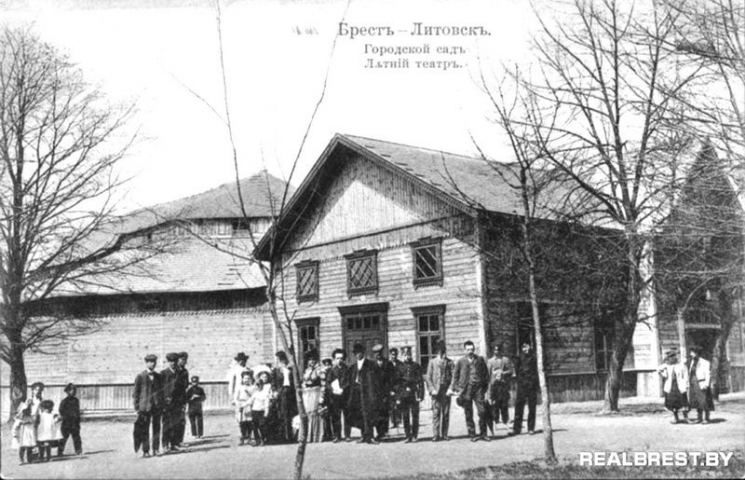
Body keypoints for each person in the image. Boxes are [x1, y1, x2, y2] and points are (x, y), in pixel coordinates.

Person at [450, 340, 490, 442]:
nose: (470, 351)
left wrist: (484, 388)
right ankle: (472, 434)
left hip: (478, 389)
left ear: (474, 349)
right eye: (468, 350)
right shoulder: (461, 361)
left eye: (472, 349)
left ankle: (483, 434)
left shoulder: (480, 360)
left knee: (482, 411)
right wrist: (457, 388)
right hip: (466, 389)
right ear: (465, 350)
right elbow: (455, 376)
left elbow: (486, 374)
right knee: (468, 412)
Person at [347, 343, 381, 444]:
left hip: (368, 392)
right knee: (360, 414)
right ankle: (363, 436)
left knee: (369, 414)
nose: (357, 355)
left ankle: (370, 436)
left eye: (359, 353)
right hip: (357, 392)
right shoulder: (353, 367)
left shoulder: (371, 365)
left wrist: (374, 393)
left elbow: (376, 380)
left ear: (363, 353)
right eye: (355, 353)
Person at [133, 354, 163, 458]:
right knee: (144, 429)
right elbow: (136, 393)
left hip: (157, 406)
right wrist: (136, 408)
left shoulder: (159, 376)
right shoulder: (140, 376)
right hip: (145, 407)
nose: (152, 364)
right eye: (150, 362)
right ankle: (146, 451)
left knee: (157, 428)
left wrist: (161, 404)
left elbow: (161, 392)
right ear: (146, 363)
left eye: (154, 362)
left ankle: (156, 449)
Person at [393, 346, 424, 442]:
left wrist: (420, 395)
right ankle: (408, 435)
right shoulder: (399, 367)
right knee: (405, 415)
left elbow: (420, 382)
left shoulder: (416, 366)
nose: (407, 356)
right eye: (405, 354)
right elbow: (397, 383)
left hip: (414, 394)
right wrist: (398, 397)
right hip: (404, 395)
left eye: (409, 354)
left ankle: (414, 435)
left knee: (415, 415)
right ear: (402, 355)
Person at [425, 340, 453, 442]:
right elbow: (428, 377)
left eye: (443, 350)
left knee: (445, 413)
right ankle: (436, 434)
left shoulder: (449, 362)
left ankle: (445, 434)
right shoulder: (432, 362)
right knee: (436, 413)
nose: (441, 352)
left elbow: (454, 377)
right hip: (436, 392)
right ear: (437, 351)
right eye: (439, 350)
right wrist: (431, 389)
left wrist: (450, 388)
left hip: (445, 391)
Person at [14, 382, 44, 464]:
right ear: (33, 390)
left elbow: (41, 412)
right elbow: (21, 410)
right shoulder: (29, 399)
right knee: (24, 441)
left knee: (32, 442)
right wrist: (26, 406)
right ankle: (21, 459)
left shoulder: (41, 400)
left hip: (34, 422)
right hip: (26, 422)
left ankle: (30, 458)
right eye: (36, 389)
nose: (38, 391)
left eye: (40, 390)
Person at [487, 344, 514, 436]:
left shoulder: (505, 360)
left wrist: (503, 373)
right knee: (495, 405)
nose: (496, 352)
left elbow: (511, 371)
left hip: (503, 385)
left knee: (504, 405)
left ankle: (506, 421)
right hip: (494, 386)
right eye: (495, 350)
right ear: (493, 351)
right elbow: (488, 375)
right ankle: (496, 421)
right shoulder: (490, 361)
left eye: (498, 350)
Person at [513, 342, 539, 435]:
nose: (525, 349)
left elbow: (537, 371)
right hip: (522, 385)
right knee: (519, 407)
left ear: (530, 347)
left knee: (532, 407)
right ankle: (516, 429)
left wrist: (536, 384)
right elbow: (517, 371)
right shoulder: (519, 358)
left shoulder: (534, 358)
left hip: (532, 385)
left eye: (527, 347)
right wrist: (520, 381)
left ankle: (531, 428)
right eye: (523, 347)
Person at [657, 349, 688, 424]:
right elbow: (658, 369)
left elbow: (686, 375)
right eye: (670, 358)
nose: (671, 359)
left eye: (673, 357)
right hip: (671, 387)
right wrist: (663, 374)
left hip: (680, 386)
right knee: (673, 403)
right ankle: (676, 418)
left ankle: (686, 418)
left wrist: (686, 384)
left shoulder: (681, 365)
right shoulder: (667, 366)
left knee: (683, 402)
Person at [327, 348, 351, 442]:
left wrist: (343, 389)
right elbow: (328, 383)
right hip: (335, 397)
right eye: (337, 358)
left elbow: (349, 382)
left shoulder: (347, 369)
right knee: (335, 416)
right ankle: (337, 436)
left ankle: (347, 435)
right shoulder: (332, 370)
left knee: (347, 416)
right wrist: (333, 389)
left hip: (345, 396)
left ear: (344, 359)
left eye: (341, 358)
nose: (339, 360)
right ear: (334, 359)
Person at [372, 344, 395, 441]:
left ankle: (385, 431)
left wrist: (391, 390)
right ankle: (379, 433)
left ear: (382, 353)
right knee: (377, 413)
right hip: (376, 393)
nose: (378, 355)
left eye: (379, 353)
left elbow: (392, 378)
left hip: (386, 392)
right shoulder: (372, 365)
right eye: (376, 353)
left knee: (385, 412)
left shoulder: (388, 364)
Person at [273, 350, 297, 443]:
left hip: (290, 393)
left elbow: (295, 381)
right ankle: (283, 436)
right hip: (281, 393)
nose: (283, 362)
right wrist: (275, 391)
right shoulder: (276, 371)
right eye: (281, 360)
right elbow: (274, 383)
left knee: (290, 414)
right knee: (282, 414)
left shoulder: (291, 369)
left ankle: (290, 436)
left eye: (284, 360)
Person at [161, 352, 182, 452]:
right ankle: (165, 445)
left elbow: (182, 389)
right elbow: (160, 389)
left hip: (177, 403)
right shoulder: (163, 373)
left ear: (177, 362)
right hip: (167, 403)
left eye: (174, 361)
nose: (172, 363)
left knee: (176, 424)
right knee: (166, 424)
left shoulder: (180, 373)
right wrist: (164, 400)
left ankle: (174, 444)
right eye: (170, 361)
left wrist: (182, 402)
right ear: (168, 362)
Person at [302, 349, 324, 442]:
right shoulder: (307, 370)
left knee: (314, 413)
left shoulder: (319, 370)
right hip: (307, 393)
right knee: (308, 413)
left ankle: (316, 436)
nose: (311, 362)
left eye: (313, 360)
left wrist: (322, 396)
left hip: (316, 392)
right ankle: (308, 436)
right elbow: (304, 381)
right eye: (310, 360)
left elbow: (323, 383)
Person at [687, 345, 714, 424]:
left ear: (696, 353)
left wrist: (706, 384)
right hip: (693, 383)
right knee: (697, 401)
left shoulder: (705, 362)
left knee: (704, 401)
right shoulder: (692, 361)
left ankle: (706, 418)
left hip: (701, 383)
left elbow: (708, 374)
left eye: (692, 352)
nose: (691, 354)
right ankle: (699, 417)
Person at [58, 383, 83, 456]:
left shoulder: (76, 400)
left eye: (75, 390)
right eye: (72, 390)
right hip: (66, 422)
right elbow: (61, 410)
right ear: (68, 391)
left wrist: (78, 419)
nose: (74, 392)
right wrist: (66, 416)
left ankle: (78, 451)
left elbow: (77, 410)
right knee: (63, 437)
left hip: (75, 422)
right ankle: (60, 452)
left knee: (76, 437)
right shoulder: (64, 401)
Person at [251, 368, 274, 446]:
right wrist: (243, 405)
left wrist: (266, 411)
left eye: (266, 377)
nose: (264, 378)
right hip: (255, 410)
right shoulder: (255, 392)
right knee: (254, 426)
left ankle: (263, 439)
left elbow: (269, 398)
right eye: (263, 377)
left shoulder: (267, 388)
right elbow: (250, 400)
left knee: (262, 425)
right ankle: (257, 440)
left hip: (263, 409)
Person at [234, 370, 256, 445]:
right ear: (242, 379)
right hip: (241, 405)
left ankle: (249, 437)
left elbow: (253, 397)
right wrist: (238, 404)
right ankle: (243, 437)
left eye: (248, 378)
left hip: (249, 405)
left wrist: (248, 403)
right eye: (245, 378)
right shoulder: (239, 387)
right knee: (242, 422)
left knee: (249, 422)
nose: (246, 380)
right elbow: (236, 397)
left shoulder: (252, 387)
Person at [175, 351, 190, 446]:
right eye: (182, 360)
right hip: (174, 399)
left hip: (182, 399)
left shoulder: (185, 371)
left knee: (181, 421)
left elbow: (186, 385)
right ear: (178, 360)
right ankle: (173, 442)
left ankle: (180, 441)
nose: (184, 362)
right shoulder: (175, 370)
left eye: (185, 360)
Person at [389, 347, 402, 429]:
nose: (394, 356)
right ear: (390, 355)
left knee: (399, 404)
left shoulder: (400, 364)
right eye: (392, 354)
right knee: (391, 405)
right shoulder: (387, 364)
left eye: (395, 355)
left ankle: (399, 421)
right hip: (390, 387)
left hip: (398, 387)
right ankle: (392, 422)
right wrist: (389, 390)